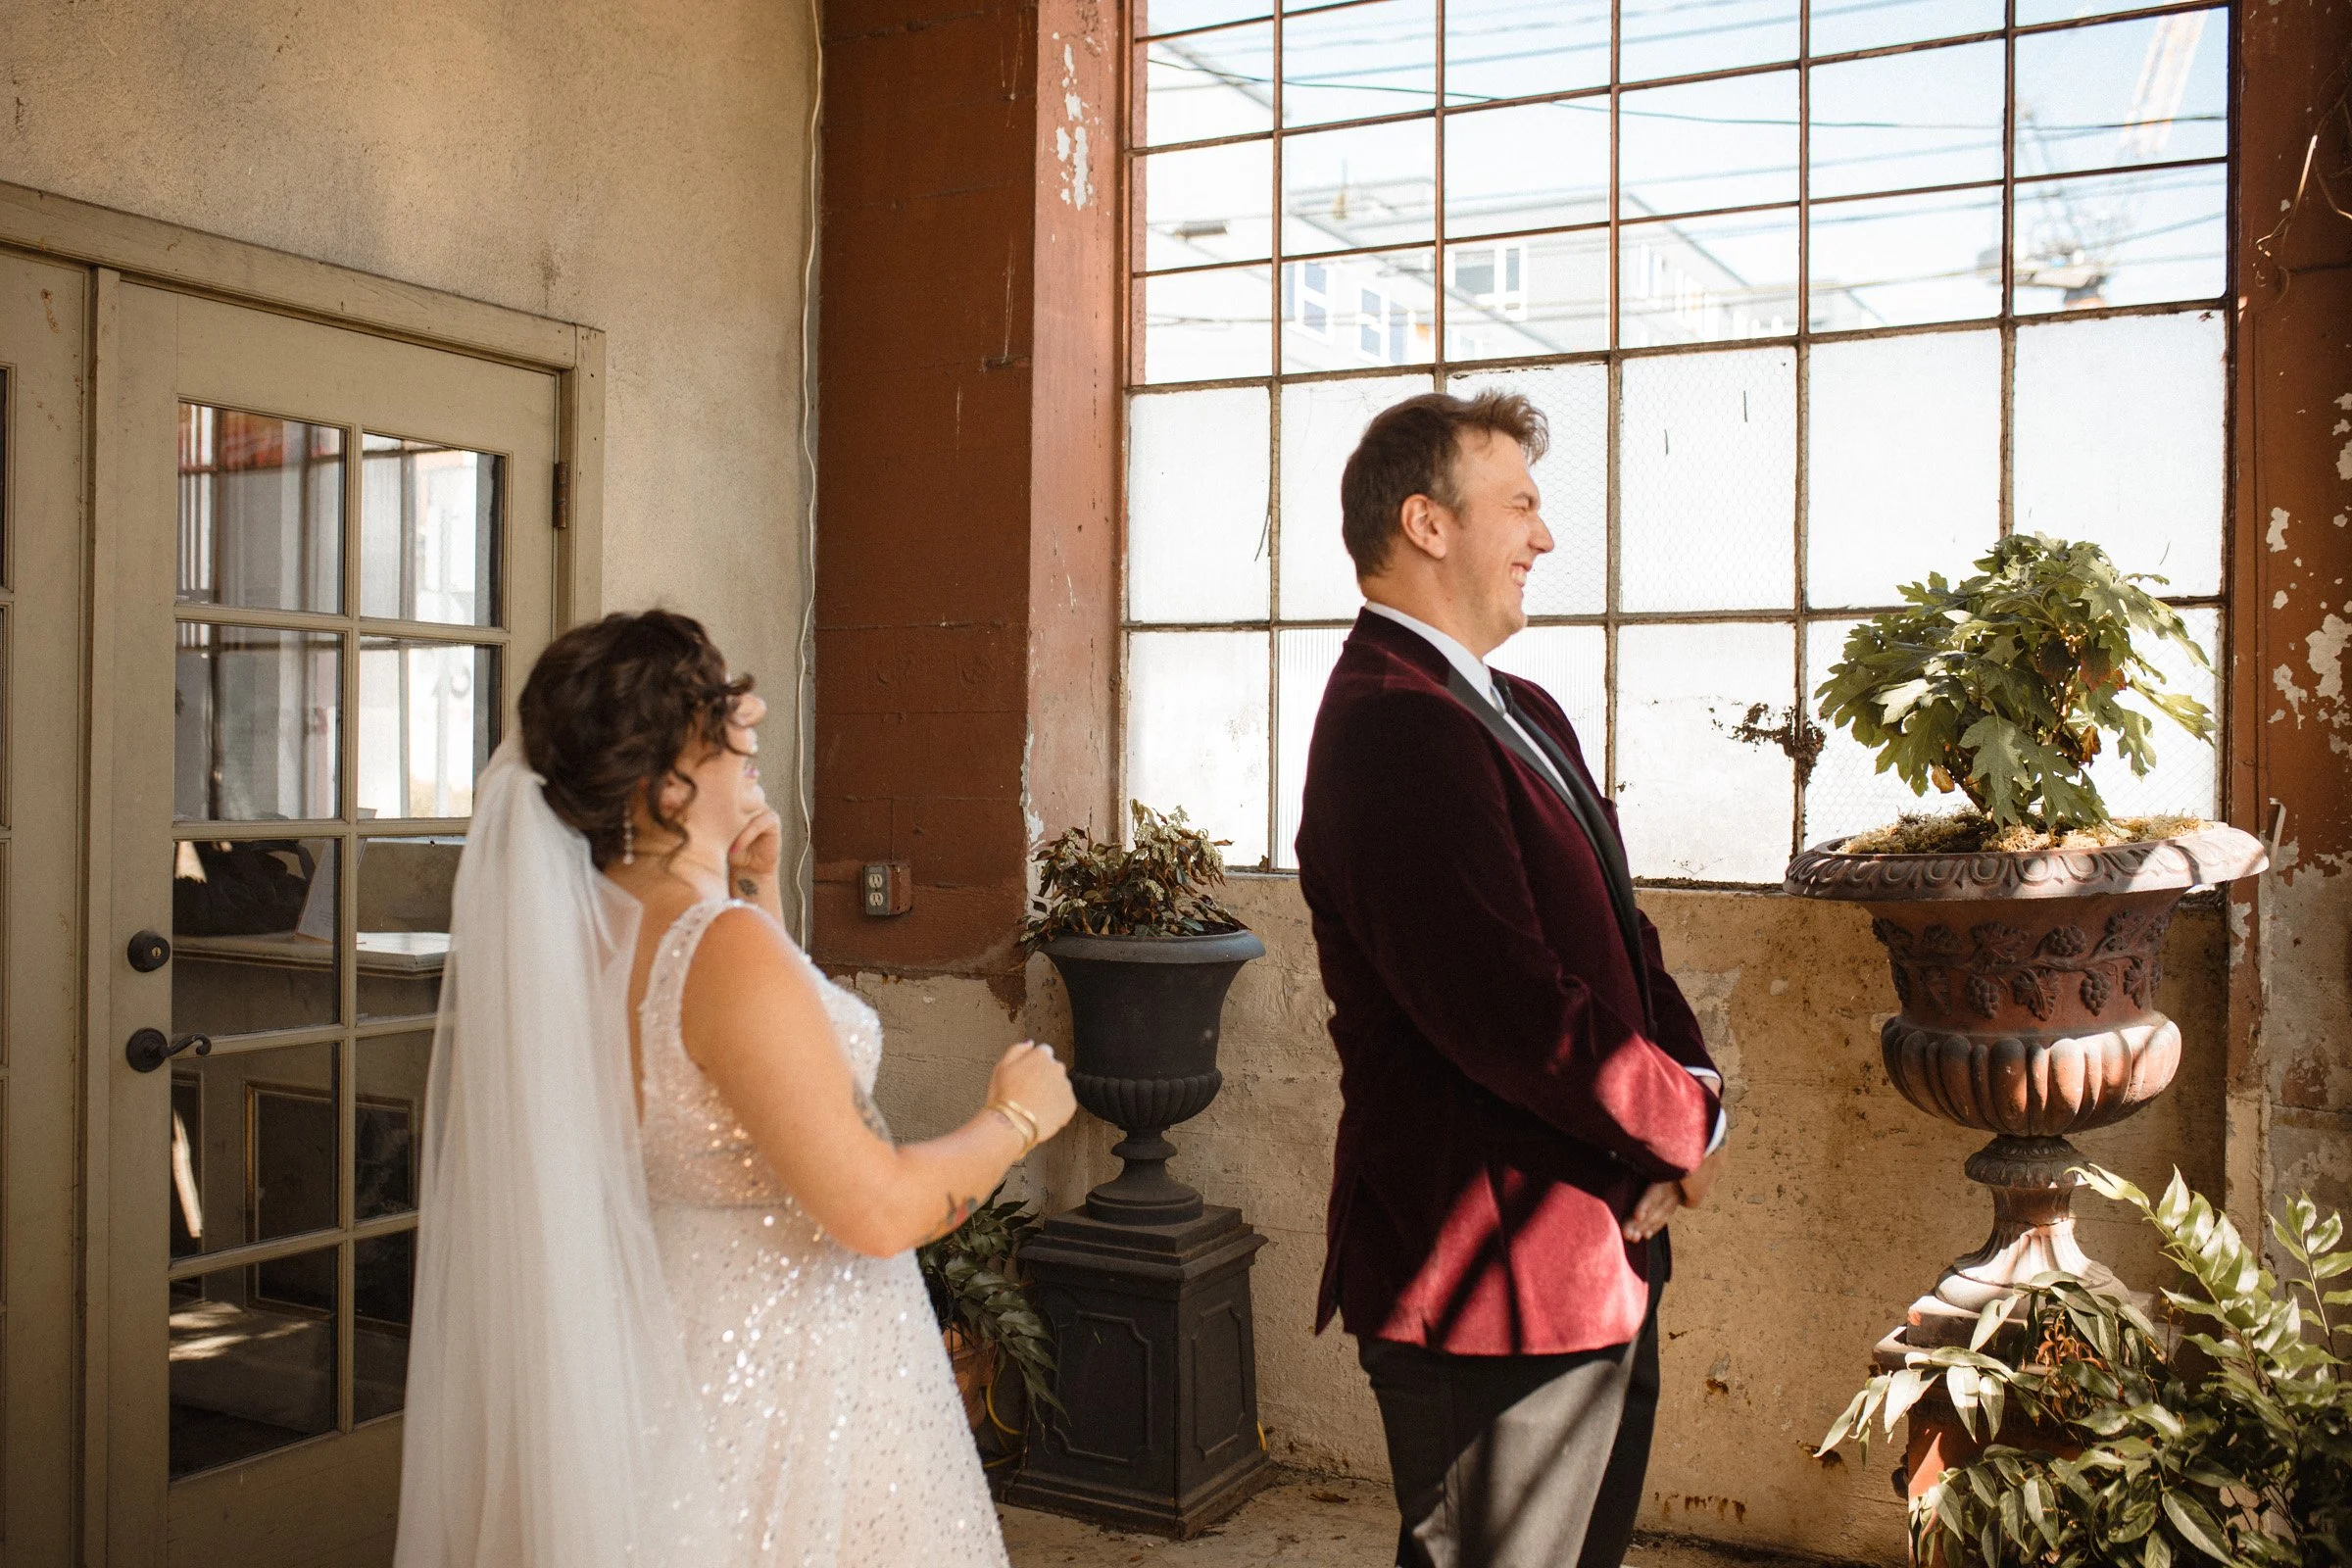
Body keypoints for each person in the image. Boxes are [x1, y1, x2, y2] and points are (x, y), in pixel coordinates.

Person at [393, 610, 1075, 1568]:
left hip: (669, 1346)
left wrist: (756, 893)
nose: (749, 736)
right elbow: (873, 1210)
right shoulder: (718, 949)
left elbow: (730, 1071)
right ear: (668, 783)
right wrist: (1015, 1118)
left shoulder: (590, 938)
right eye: (720, 728)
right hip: (787, 1379)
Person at [1294, 392, 1729, 1568]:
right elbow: (1512, 1012)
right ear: (1427, 523)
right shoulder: (1394, 726)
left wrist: (1693, 1094)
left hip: (1597, 1262)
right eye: (1522, 506)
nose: (1544, 538)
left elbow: (1622, 943)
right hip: (1491, 1298)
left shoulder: (1515, 708)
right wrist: (1680, 1125)